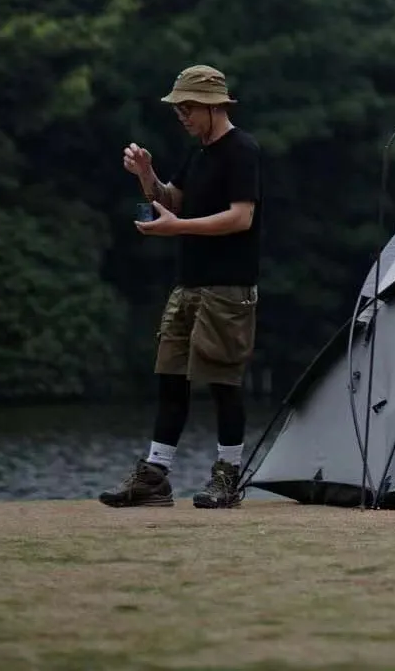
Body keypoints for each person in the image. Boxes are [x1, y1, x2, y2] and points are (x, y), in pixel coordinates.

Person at [99, 64, 264, 510]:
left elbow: (240, 216)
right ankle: (155, 476)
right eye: (179, 110)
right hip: (188, 285)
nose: (183, 117)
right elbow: (171, 201)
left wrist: (179, 228)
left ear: (213, 105)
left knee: (223, 382)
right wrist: (146, 175)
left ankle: (228, 476)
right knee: (170, 378)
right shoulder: (200, 153)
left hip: (228, 288)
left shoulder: (241, 150)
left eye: (188, 108)